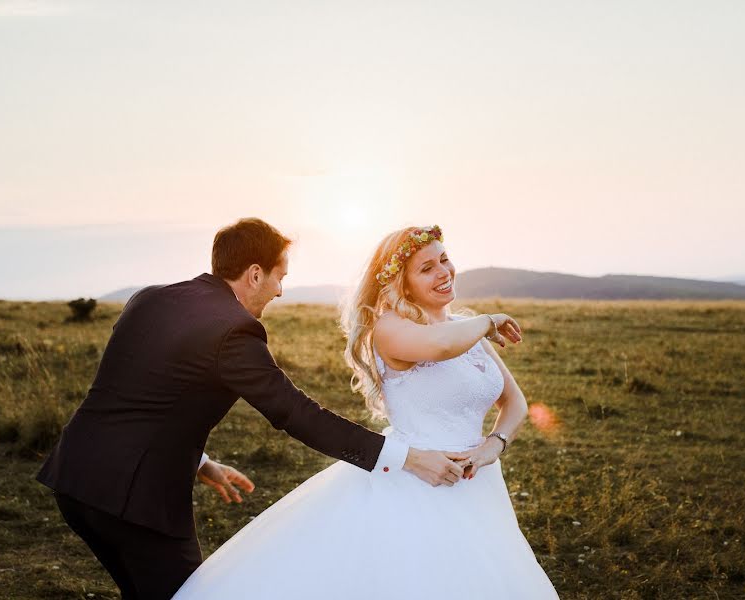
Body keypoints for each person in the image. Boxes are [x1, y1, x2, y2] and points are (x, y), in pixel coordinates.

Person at [36, 218, 467, 600]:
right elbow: (296, 413)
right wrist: (402, 458)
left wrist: (201, 462)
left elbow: (143, 394)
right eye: (280, 276)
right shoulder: (235, 331)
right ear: (255, 273)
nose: (280, 289)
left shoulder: (148, 298)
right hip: (134, 504)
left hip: (73, 481)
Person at [172, 225, 559, 599]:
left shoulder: (466, 328)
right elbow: (439, 346)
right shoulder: (390, 329)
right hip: (417, 481)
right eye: (427, 268)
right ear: (401, 284)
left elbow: (515, 401)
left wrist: (495, 443)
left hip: (479, 484)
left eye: (444, 260)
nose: (444, 272)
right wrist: (488, 321)